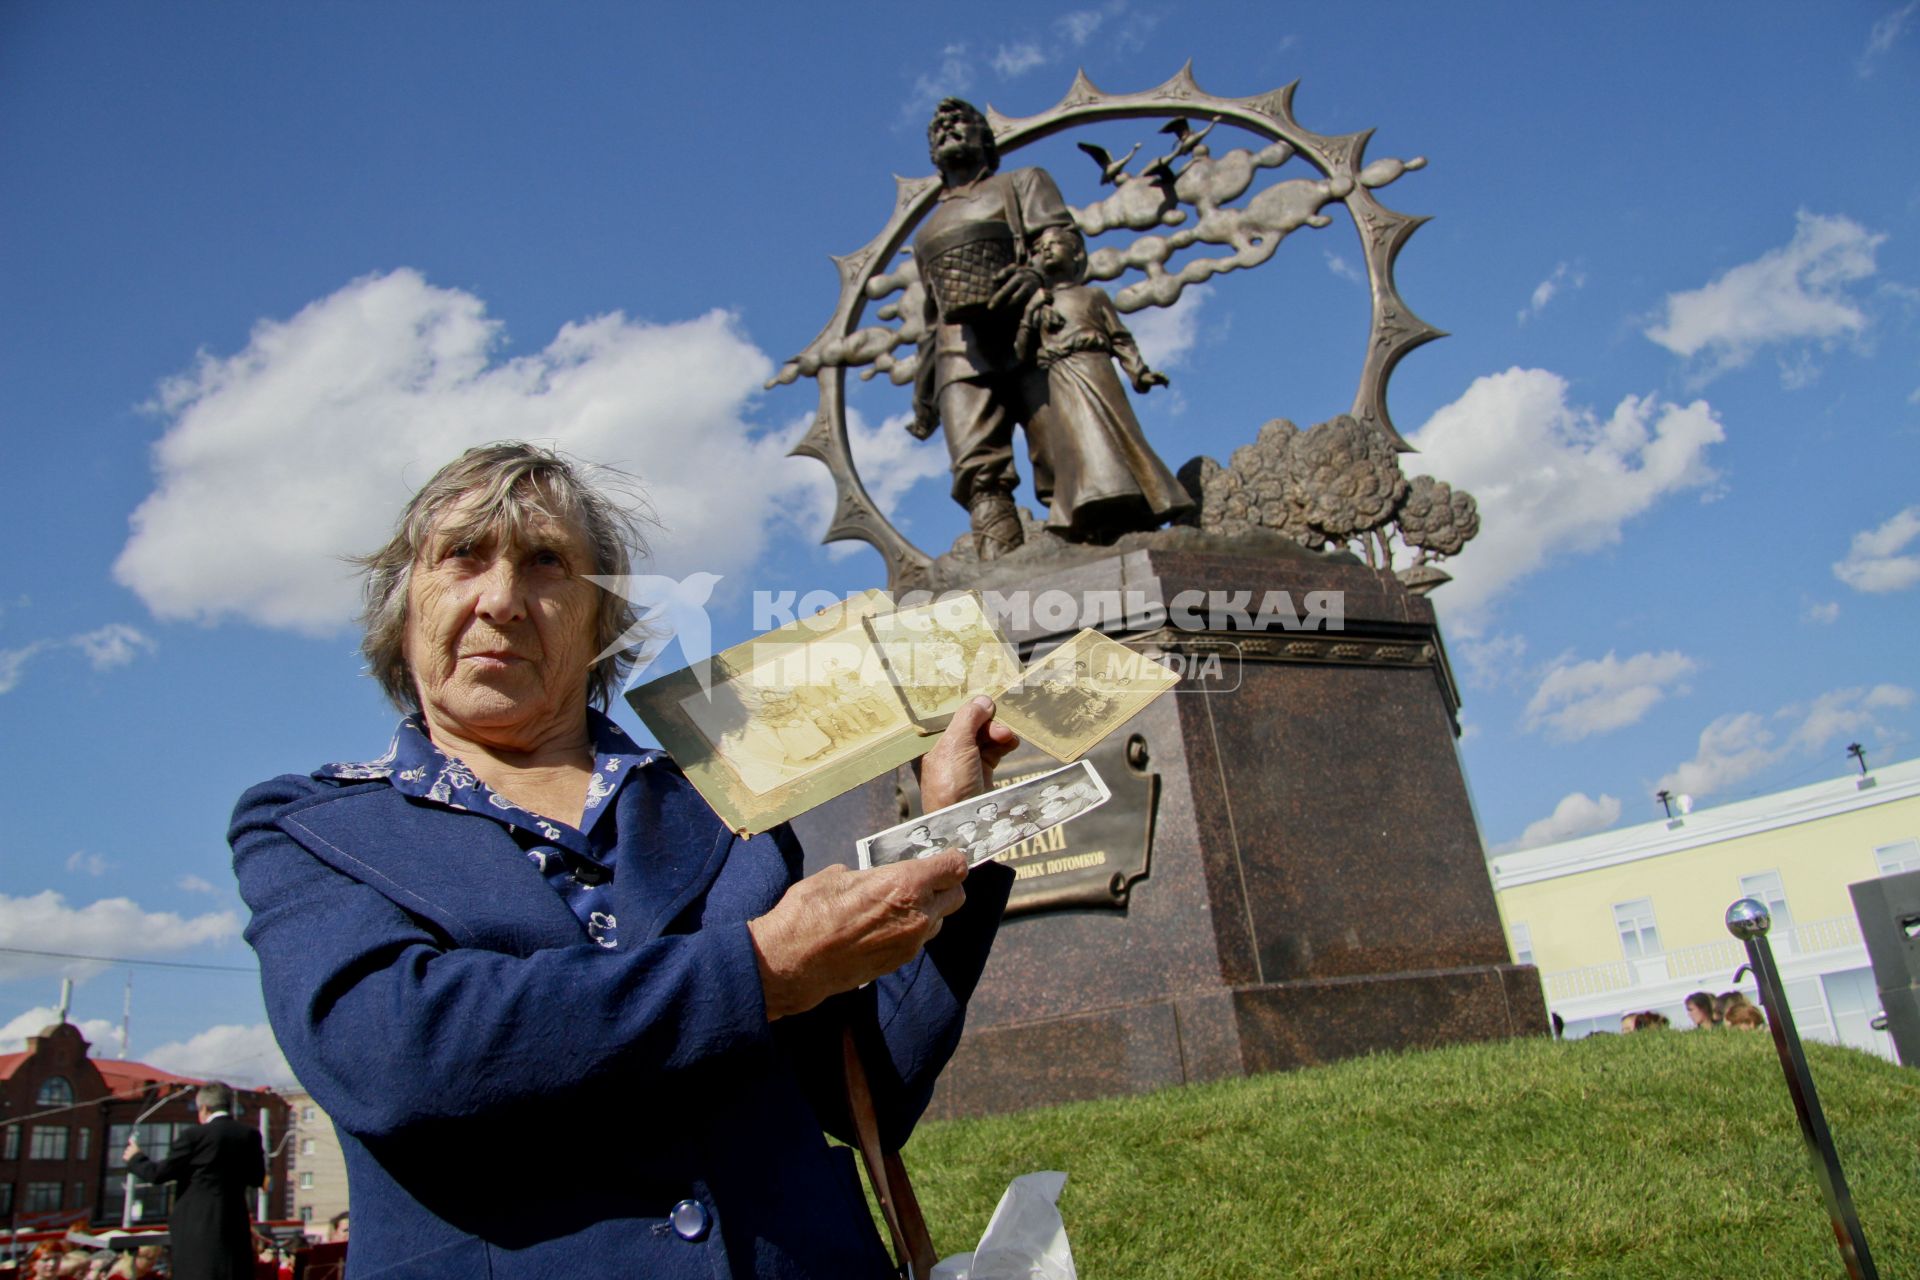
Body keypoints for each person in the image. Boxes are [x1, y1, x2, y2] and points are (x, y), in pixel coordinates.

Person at [232, 442, 1019, 1278]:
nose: (501, 598)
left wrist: (949, 829)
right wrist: (759, 969)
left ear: (599, 617)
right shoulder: (315, 827)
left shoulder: (723, 800)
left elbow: (867, 1090)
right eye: (463, 556)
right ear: (405, 605)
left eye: (546, 563)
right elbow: (396, 1054)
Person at [909, 97, 1075, 559]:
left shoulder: (1021, 183)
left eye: (960, 122)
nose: (947, 129)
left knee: (1061, 452)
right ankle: (1000, 572)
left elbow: (1062, 238)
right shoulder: (925, 232)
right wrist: (924, 397)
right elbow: (930, 317)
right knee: (978, 471)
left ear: (986, 138)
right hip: (959, 353)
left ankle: (1083, 551)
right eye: (937, 128)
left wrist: (1037, 272)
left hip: (1028, 332)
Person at [1017, 224, 1194, 537]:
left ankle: (1139, 501)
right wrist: (1032, 310)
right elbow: (1021, 352)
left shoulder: (1093, 295)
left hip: (1097, 370)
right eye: (1038, 248)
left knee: (1116, 435)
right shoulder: (1038, 306)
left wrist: (1138, 371)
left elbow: (1120, 338)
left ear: (1077, 254)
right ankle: (1086, 511)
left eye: (1055, 243)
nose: (1046, 250)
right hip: (1062, 379)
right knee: (1076, 444)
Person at [124, 1081, 265, 1280]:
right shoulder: (250, 1135)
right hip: (235, 1227)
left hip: (197, 1232)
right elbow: (256, 1178)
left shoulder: (194, 1136)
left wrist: (135, 1158)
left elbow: (158, 1174)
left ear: (204, 1108)